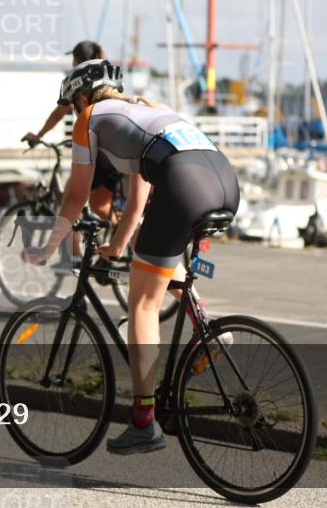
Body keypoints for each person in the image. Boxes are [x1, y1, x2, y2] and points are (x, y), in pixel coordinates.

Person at [24, 59, 239, 455]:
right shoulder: (146, 108)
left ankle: (143, 422)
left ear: (83, 97)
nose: (75, 112)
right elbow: (139, 198)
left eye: (74, 104)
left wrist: (48, 247)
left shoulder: (88, 118)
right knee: (154, 261)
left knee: (142, 304)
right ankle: (207, 328)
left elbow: (76, 196)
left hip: (184, 182)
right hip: (224, 179)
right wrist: (119, 245)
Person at [22, 40, 122, 222]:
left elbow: (59, 113)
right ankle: (122, 239)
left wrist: (39, 136)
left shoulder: (80, 80)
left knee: (70, 206)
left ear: (76, 59)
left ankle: (74, 252)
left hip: (99, 152)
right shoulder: (109, 75)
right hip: (119, 150)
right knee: (100, 206)